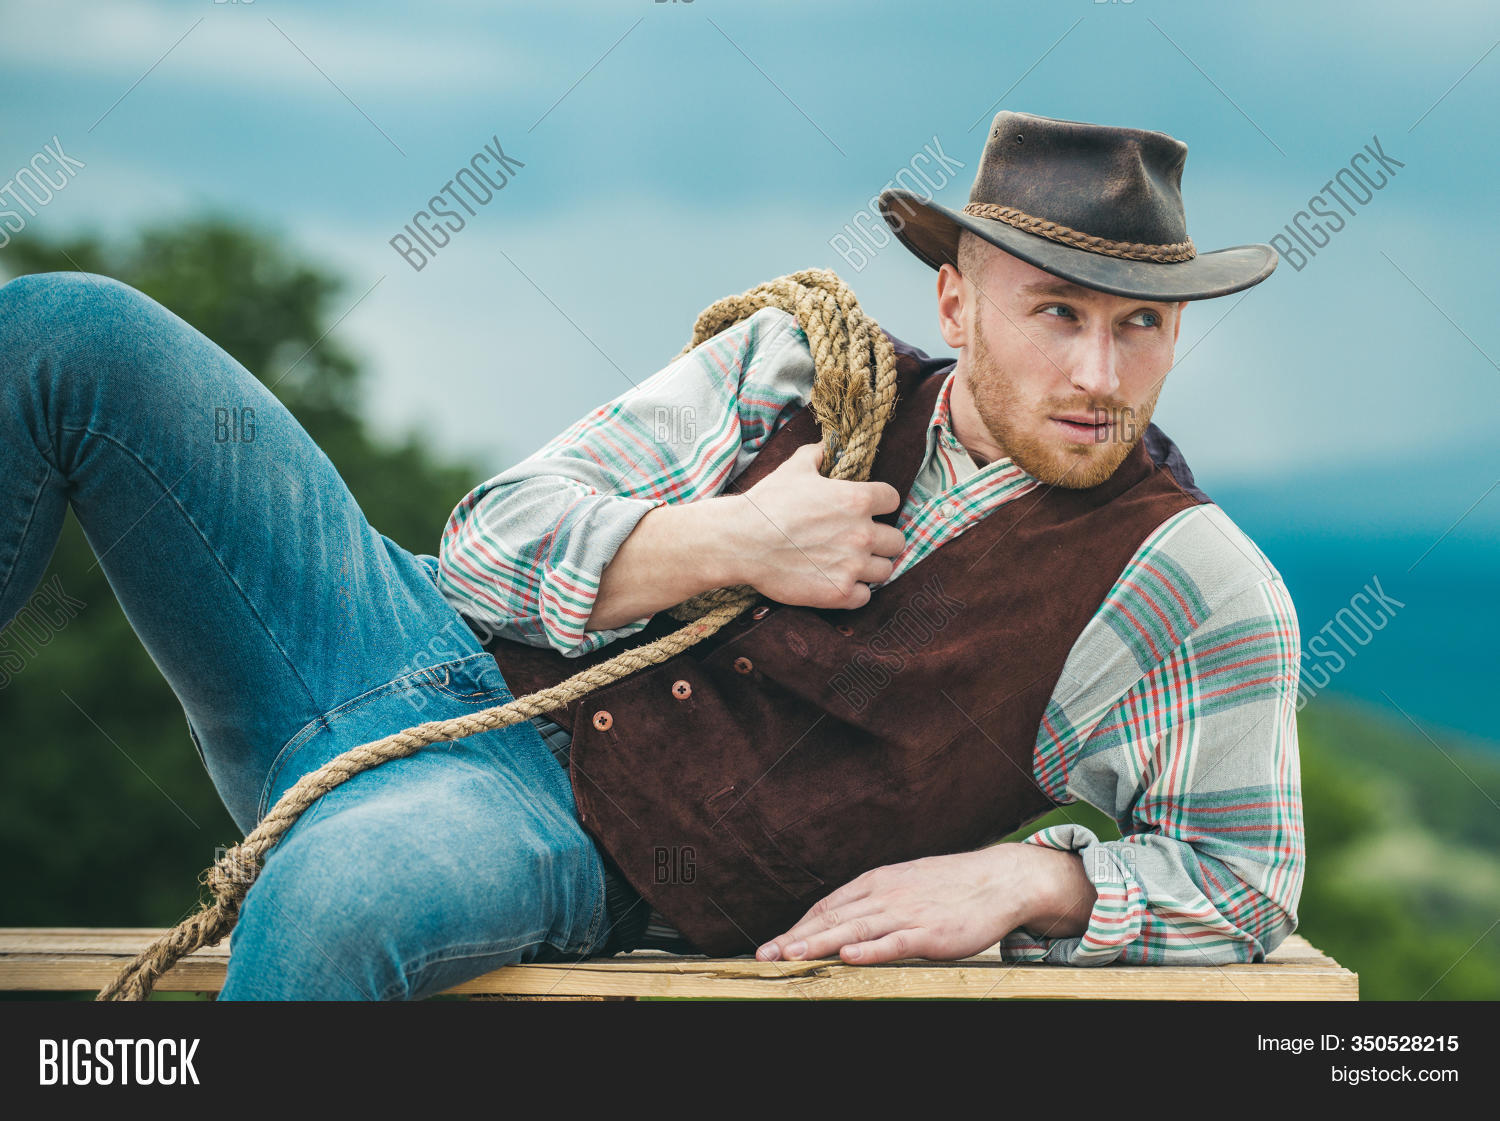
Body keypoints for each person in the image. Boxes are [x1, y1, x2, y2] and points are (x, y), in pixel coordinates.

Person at [0, 111, 1302, 999]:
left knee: (341, 894)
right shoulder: (797, 363)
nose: (1097, 372)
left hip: (555, 835)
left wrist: (1034, 875)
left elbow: (1243, 880)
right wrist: (733, 537)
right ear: (956, 297)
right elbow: (481, 550)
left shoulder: (1189, 586)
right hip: (394, 643)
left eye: (1141, 324)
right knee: (67, 334)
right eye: (1057, 312)